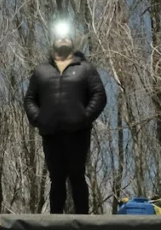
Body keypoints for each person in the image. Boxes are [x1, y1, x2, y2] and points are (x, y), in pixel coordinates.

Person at [23, 22, 106, 214]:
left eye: (67, 36)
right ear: (52, 41)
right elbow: (29, 99)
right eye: (59, 36)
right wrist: (39, 119)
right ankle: (55, 225)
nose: (63, 39)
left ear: (73, 42)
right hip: (51, 133)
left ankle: (83, 224)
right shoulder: (41, 71)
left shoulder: (85, 69)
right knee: (56, 179)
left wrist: (84, 117)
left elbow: (99, 95)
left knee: (77, 177)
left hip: (78, 132)